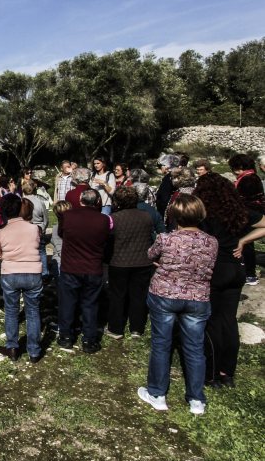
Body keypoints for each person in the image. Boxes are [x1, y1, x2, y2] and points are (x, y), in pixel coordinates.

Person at [138, 194, 217, 416]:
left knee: (161, 344)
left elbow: (151, 254)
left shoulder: (166, 239)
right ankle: (196, 399)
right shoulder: (211, 241)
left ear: (175, 215)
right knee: (194, 348)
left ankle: (157, 393)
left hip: (165, 293)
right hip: (197, 296)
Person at [194, 173, 265, 387]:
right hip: (236, 268)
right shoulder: (238, 211)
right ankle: (228, 372)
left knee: (213, 321)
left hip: (215, 268)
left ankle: (212, 373)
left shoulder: (204, 214)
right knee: (229, 320)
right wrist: (243, 240)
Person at [58, 189, 111, 353]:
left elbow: (61, 234)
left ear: (80, 200)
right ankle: (89, 340)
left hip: (71, 266)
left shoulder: (68, 216)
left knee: (68, 303)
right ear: (97, 202)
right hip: (92, 266)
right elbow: (106, 239)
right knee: (90, 304)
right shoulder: (103, 220)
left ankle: (66, 336)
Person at [0, 194, 43, 363]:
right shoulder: (34, 228)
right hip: (33, 272)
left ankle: (12, 347)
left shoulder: (2, 231)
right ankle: (34, 351)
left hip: (10, 272)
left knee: (11, 310)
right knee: (33, 311)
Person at [106, 186, 153, 340]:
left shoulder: (114, 218)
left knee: (117, 295)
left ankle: (116, 328)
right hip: (142, 261)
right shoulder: (147, 216)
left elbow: (109, 238)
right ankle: (137, 328)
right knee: (138, 295)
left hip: (119, 260)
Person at [228, 153, 265, 285]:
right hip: (250, 212)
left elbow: (244, 198)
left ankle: (250, 274)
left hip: (249, 214)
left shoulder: (248, 179)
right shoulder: (251, 177)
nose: (234, 172)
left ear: (240, 167)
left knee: (246, 243)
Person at [22, 180, 49, 277]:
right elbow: (45, 218)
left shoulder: (21, 202)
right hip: (39, 228)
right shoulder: (40, 202)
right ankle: (44, 272)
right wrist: (44, 228)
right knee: (41, 251)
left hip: (25, 229)